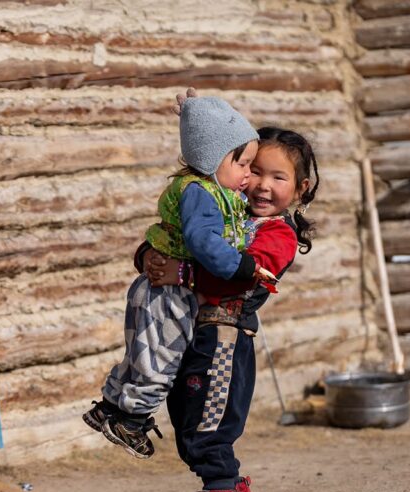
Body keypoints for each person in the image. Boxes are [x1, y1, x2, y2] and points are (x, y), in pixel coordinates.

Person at [142, 126, 319, 492]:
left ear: (301, 188)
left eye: (278, 177)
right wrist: (149, 257)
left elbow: (241, 277)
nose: (262, 184)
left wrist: (183, 274)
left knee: (207, 428)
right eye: (255, 170)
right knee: (189, 418)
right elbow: (182, 240)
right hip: (195, 335)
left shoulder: (278, 234)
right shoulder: (225, 212)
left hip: (224, 339)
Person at [83, 88, 271, 459]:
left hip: (157, 288)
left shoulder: (211, 189)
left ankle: (111, 407)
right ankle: (131, 420)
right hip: (167, 294)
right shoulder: (200, 193)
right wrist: (240, 265)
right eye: (243, 164)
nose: (249, 175)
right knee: (161, 359)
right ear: (212, 157)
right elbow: (202, 240)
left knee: (142, 355)